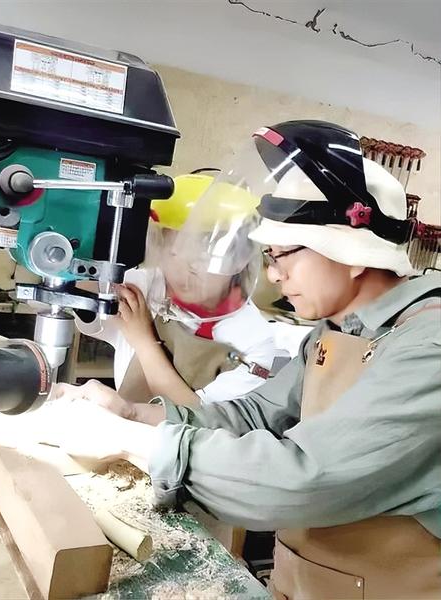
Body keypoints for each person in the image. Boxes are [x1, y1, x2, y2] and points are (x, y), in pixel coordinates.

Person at [40, 120, 441, 599]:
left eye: (283, 254)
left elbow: (301, 479)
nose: (272, 274)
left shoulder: (427, 348)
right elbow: (255, 417)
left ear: (354, 252)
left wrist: (130, 442)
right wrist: (133, 414)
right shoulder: (336, 330)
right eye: (268, 256)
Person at [76, 172, 277, 406]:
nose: (183, 270)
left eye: (201, 256)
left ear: (238, 257)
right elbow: (82, 288)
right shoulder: (143, 287)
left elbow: (200, 417)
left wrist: (144, 341)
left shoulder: (255, 337)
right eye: (172, 251)